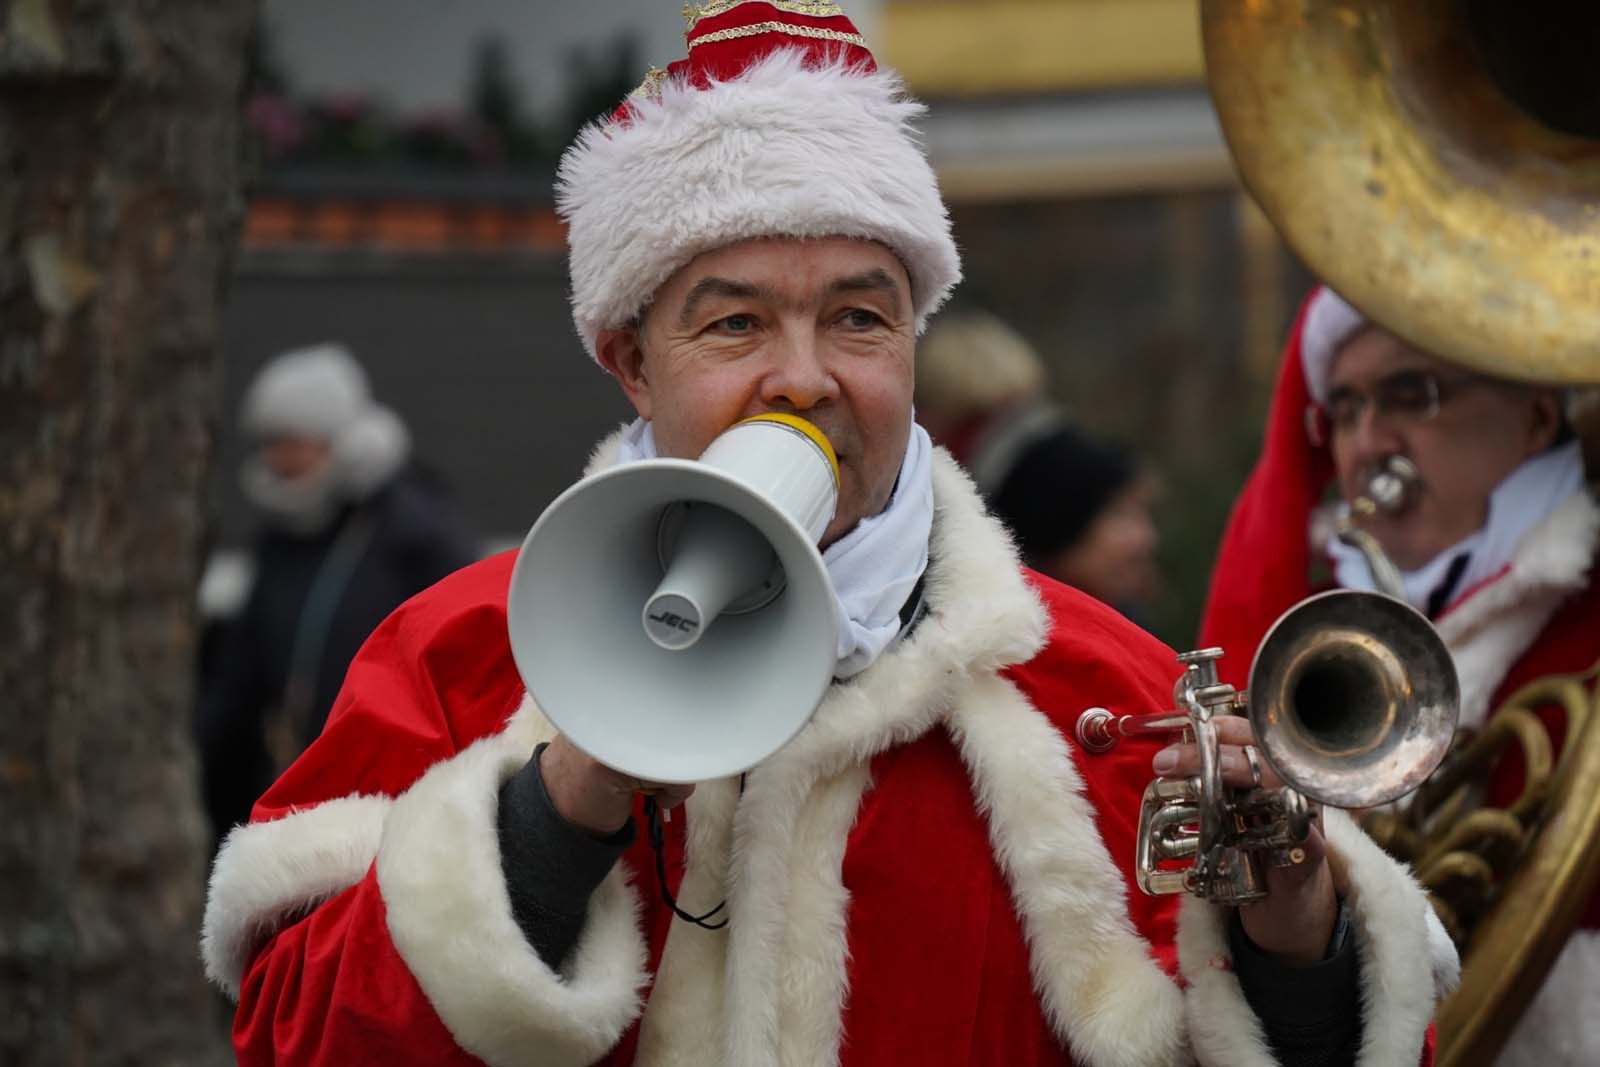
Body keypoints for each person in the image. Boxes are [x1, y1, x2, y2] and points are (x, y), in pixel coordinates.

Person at [201, 8, 1453, 1065]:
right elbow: (293, 1035)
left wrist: (1301, 948)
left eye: (859, 318)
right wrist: (555, 808)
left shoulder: (1101, 688)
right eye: (734, 325)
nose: (802, 378)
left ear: (913, 344)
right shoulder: (460, 651)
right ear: (630, 361)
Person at [1200, 285, 1600, 1065]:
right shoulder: (1309, 630)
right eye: (1344, 410)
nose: (1366, 443)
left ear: (1536, 415)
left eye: (1409, 396)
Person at [193, 342, 477, 856]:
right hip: (301, 785)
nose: (280, 459)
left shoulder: (415, 531)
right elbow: (244, 667)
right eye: (271, 442)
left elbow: (466, 653)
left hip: (395, 793)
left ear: (338, 441)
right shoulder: (280, 538)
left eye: (294, 441)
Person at [980, 410, 1163, 621]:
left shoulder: (1131, 632)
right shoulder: (999, 641)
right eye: (1120, 515)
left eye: (1142, 515)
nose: (1146, 538)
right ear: (1058, 526)